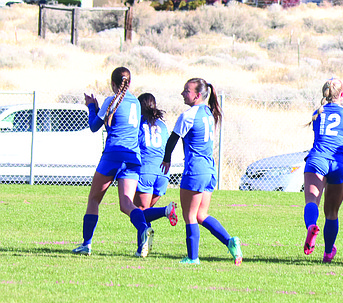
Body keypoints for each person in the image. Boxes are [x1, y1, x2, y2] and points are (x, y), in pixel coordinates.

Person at [72, 66, 154, 258]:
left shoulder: (112, 100)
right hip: (133, 158)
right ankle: (143, 229)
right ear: (130, 83)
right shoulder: (136, 102)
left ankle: (86, 244)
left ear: (113, 84)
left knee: (94, 199)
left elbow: (94, 127)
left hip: (113, 155)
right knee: (126, 204)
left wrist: (92, 106)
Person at [161, 78, 242, 266]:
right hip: (209, 169)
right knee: (201, 215)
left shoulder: (188, 115)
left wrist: (166, 159)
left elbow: (173, 139)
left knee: (189, 215)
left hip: (195, 169)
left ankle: (193, 257)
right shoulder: (208, 112)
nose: (182, 93)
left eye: (186, 91)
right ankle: (230, 241)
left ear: (197, 95)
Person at [303, 77, 343, 263]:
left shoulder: (318, 112)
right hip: (339, 164)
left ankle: (311, 227)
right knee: (332, 213)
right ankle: (328, 252)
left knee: (312, 201)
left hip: (317, 160)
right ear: (342, 94)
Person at [134, 93, 178, 228]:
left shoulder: (138, 124)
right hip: (163, 173)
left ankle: (166, 210)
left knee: (138, 211)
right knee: (146, 212)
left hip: (145, 171)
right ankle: (145, 245)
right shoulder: (162, 125)